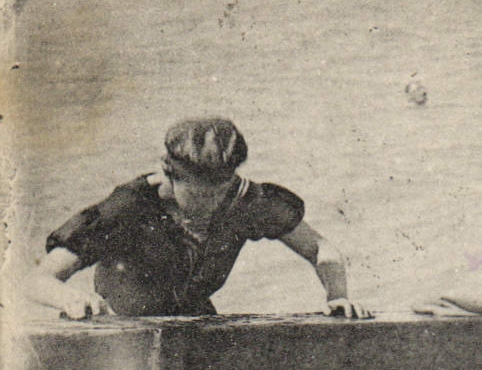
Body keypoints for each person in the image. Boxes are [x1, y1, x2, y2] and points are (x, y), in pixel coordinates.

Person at [25, 118, 368, 319]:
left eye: (221, 192)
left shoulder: (247, 201)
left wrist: (336, 295)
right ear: (168, 174)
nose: (212, 205)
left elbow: (321, 249)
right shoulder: (129, 206)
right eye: (199, 195)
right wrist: (70, 300)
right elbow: (36, 281)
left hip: (194, 324)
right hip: (120, 327)